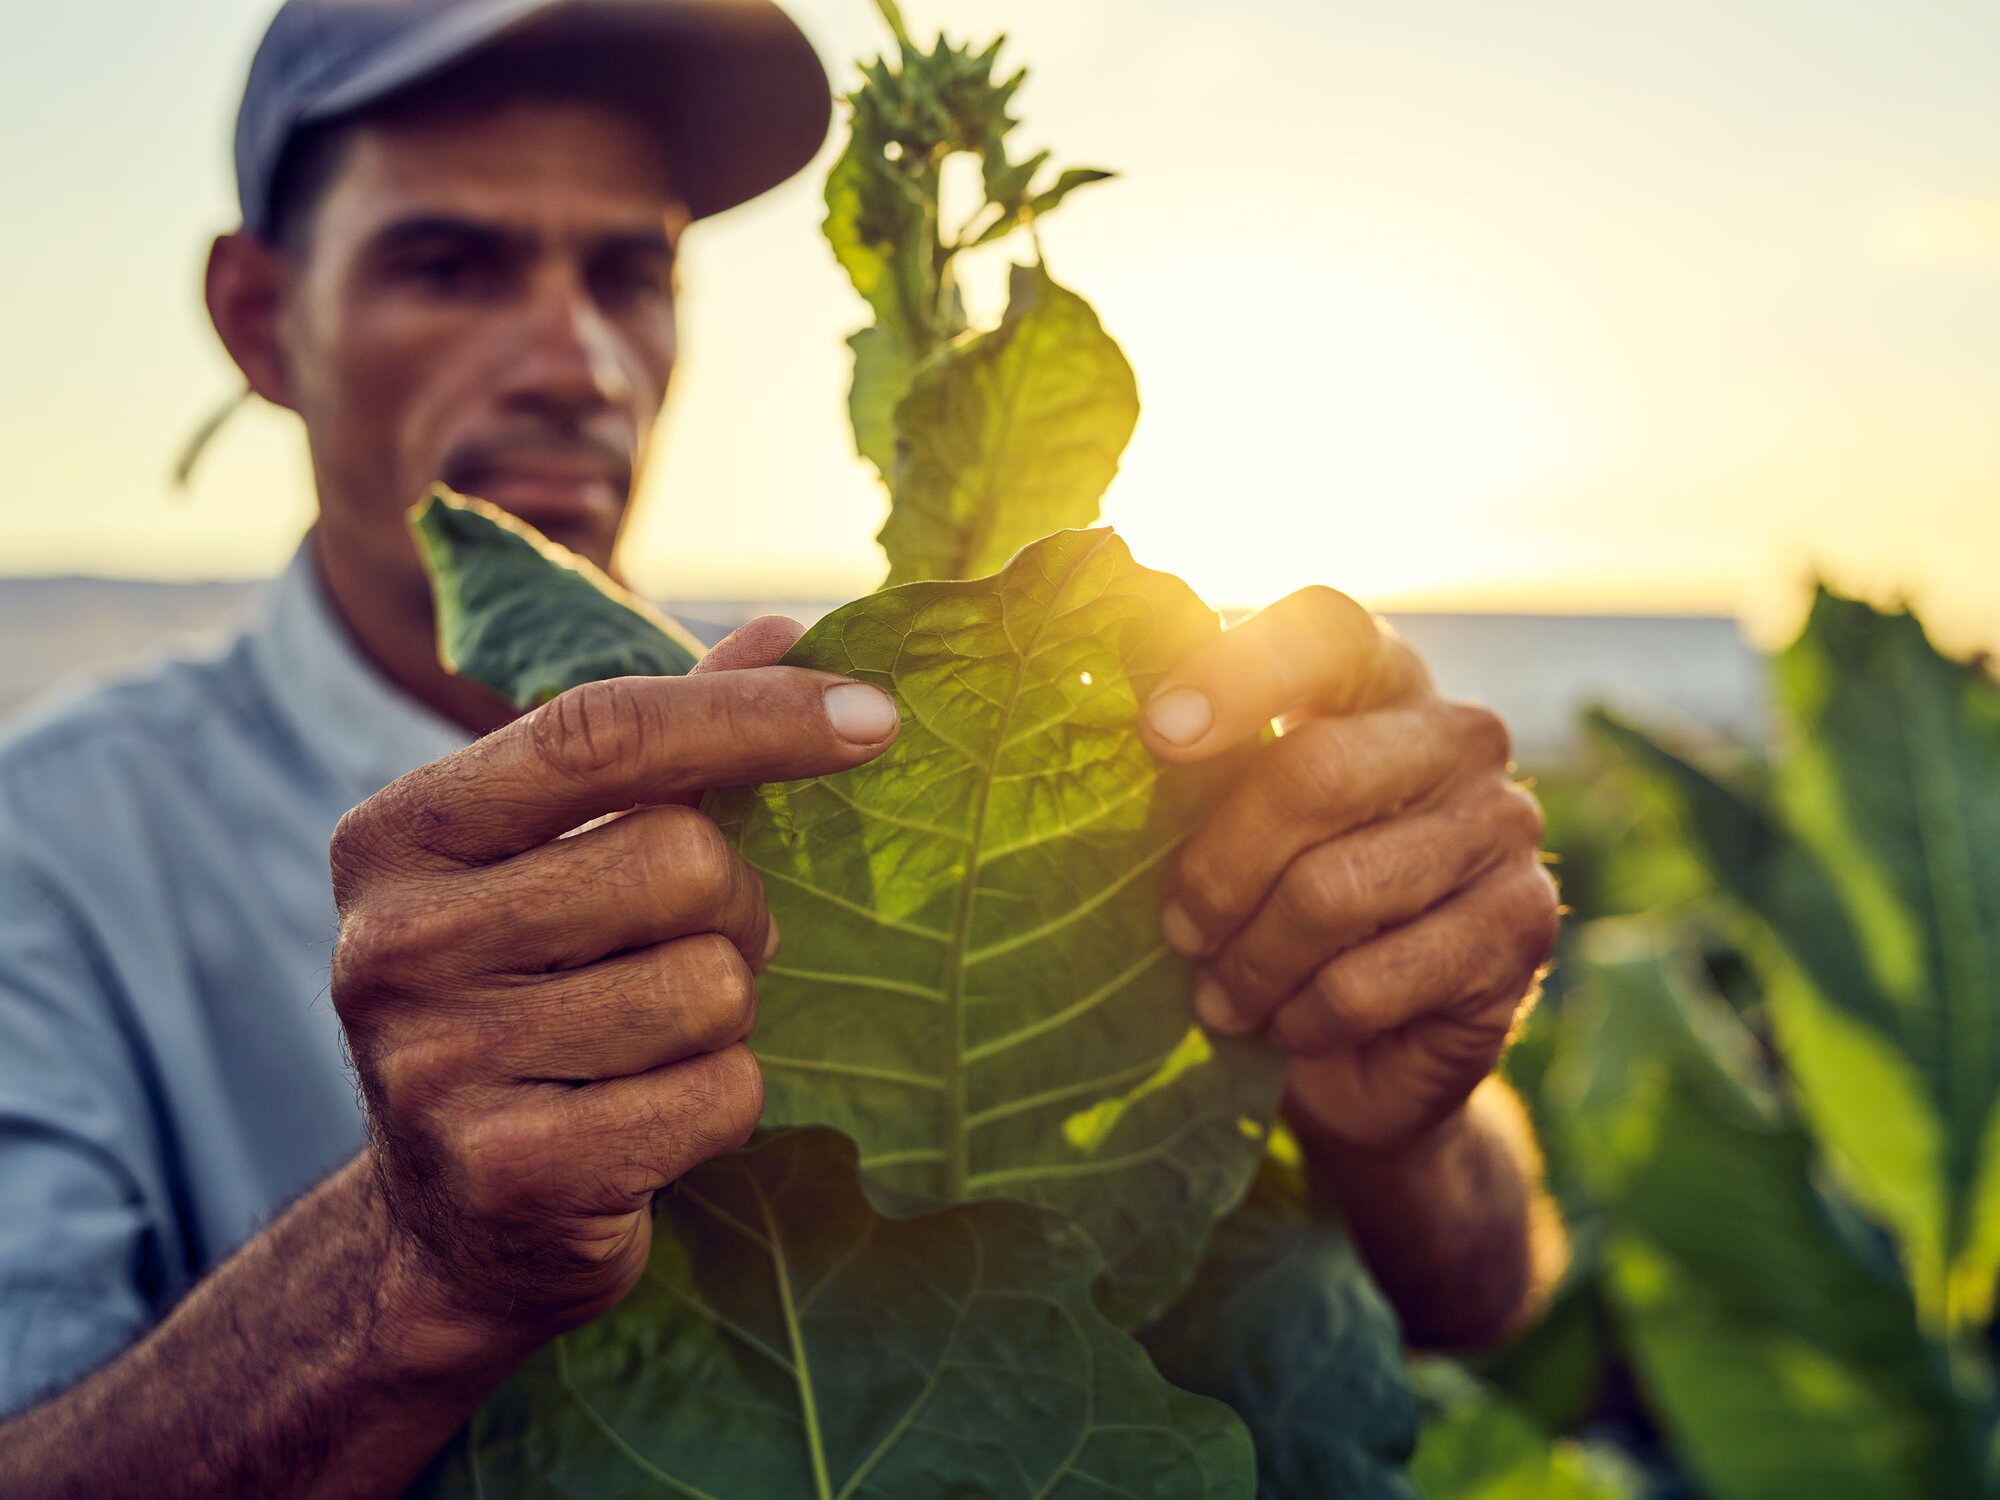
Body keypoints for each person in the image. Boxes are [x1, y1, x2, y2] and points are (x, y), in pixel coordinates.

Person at [0, 0, 1567, 1492]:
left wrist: (1409, 1115)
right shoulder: (55, 854)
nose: (574, 364)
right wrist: (407, 1270)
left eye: (628, 275)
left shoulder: (848, 760)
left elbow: (1483, 1292)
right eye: (452, 266)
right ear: (263, 320)